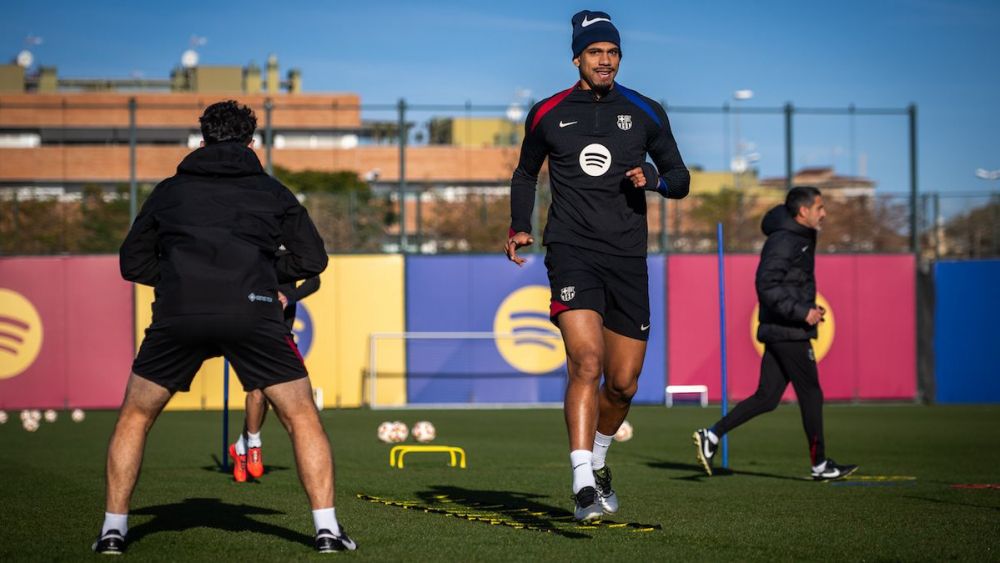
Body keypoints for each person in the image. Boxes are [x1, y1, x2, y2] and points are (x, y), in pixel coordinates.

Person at [96, 100, 356, 554]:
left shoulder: (168, 192)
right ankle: (328, 532)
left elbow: (131, 262)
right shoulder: (273, 191)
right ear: (251, 143)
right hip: (253, 311)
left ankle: (113, 532)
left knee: (136, 416)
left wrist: (179, 278)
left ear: (202, 140)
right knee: (301, 416)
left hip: (180, 313)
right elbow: (313, 259)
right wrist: (263, 275)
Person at [504, 10, 690, 521]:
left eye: (612, 52)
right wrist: (520, 225)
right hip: (572, 251)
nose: (604, 60)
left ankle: (600, 462)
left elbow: (680, 177)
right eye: (594, 52)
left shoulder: (646, 111)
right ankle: (582, 481)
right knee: (586, 361)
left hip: (628, 258)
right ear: (577, 59)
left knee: (623, 383)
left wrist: (653, 178)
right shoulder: (547, 113)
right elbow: (524, 174)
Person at [693, 186, 858, 481]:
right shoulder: (785, 240)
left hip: (784, 327)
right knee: (811, 393)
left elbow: (789, 284)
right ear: (803, 211)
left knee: (767, 397)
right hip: (788, 331)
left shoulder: (800, 236)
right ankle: (820, 464)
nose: (824, 213)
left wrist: (808, 308)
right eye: (819, 207)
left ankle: (712, 435)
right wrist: (801, 312)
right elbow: (766, 285)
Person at [230, 276, 320, 483]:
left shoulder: (292, 258)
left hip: (282, 332)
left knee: (271, 395)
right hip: (253, 326)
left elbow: (314, 281)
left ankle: (241, 445)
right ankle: (254, 445)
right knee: (257, 390)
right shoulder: (253, 256)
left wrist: (289, 295)